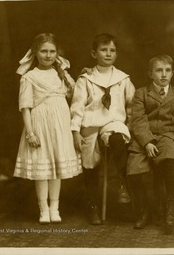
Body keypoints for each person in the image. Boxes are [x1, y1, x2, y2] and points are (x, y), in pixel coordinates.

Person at [13, 33, 82, 224]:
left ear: (57, 53)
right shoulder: (29, 77)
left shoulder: (62, 74)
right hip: (39, 125)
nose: (48, 55)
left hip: (60, 124)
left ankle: (55, 208)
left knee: (57, 167)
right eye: (44, 51)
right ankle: (43, 209)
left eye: (52, 51)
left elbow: (77, 94)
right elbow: (25, 108)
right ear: (35, 53)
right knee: (43, 169)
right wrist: (30, 133)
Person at [70, 33, 135, 225]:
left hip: (113, 122)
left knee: (117, 139)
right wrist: (75, 131)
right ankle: (92, 205)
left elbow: (131, 105)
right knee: (89, 163)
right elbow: (77, 106)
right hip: (91, 123)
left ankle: (123, 184)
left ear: (116, 54)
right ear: (94, 53)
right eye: (103, 50)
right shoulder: (86, 78)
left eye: (112, 50)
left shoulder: (123, 79)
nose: (108, 54)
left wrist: (129, 125)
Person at [126, 54, 174, 234]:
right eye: (159, 70)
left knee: (170, 159)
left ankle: (170, 205)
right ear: (150, 74)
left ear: (172, 73)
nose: (163, 75)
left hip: (169, 135)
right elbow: (138, 120)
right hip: (144, 137)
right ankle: (144, 210)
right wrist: (147, 142)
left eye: (167, 70)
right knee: (134, 169)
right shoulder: (141, 93)